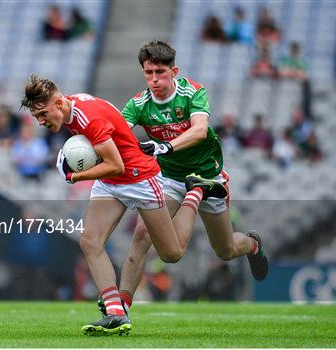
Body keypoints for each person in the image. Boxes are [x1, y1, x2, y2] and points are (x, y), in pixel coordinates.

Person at [21, 74, 227, 336]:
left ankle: (197, 191)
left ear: (59, 103)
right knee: (89, 240)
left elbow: (116, 163)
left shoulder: (87, 117)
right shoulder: (71, 107)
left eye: (42, 113)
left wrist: (75, 176)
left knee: (171, 253)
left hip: (139, 177)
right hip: (111, 180)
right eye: (36, 116)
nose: (40, 121)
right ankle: (115, 313)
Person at [96, 40, 269, 318]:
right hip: (171, 178)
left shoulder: (192, 93)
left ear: (173, 71)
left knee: (225, 250)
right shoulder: (138, 105)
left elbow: (200, 130)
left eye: (160, 72)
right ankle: (121, 309)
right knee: (142, 234)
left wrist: (166, 146)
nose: (154, 79)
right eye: (148, 73)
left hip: (208, 175)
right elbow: (114, 134)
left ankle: (252, 244)